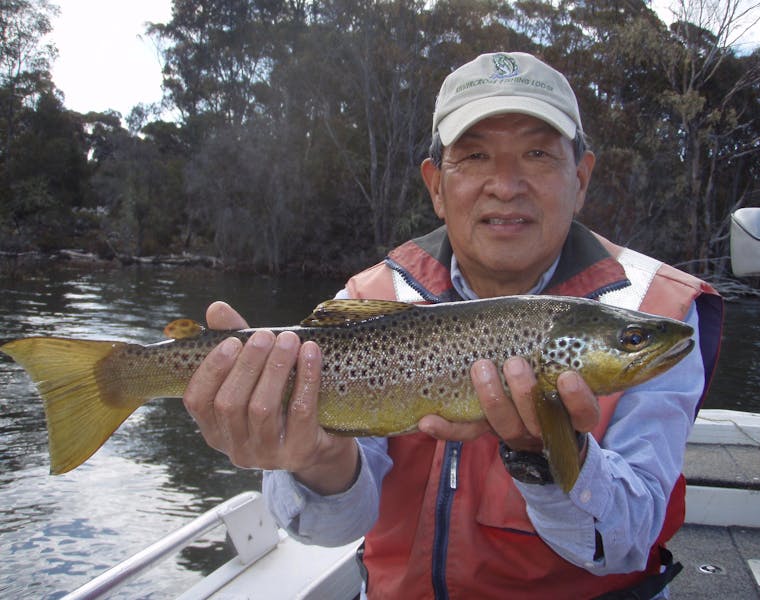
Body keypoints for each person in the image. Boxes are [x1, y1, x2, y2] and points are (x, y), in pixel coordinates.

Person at [183, 52, 723, 599]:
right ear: (437, 186)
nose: (506, 185)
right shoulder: (369, 297)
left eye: (537, 153)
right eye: (475, 156)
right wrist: (318, 458)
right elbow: (332, 530)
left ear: (581, 178)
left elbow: (630, 543)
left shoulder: (658, 311)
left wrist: (554, 457)